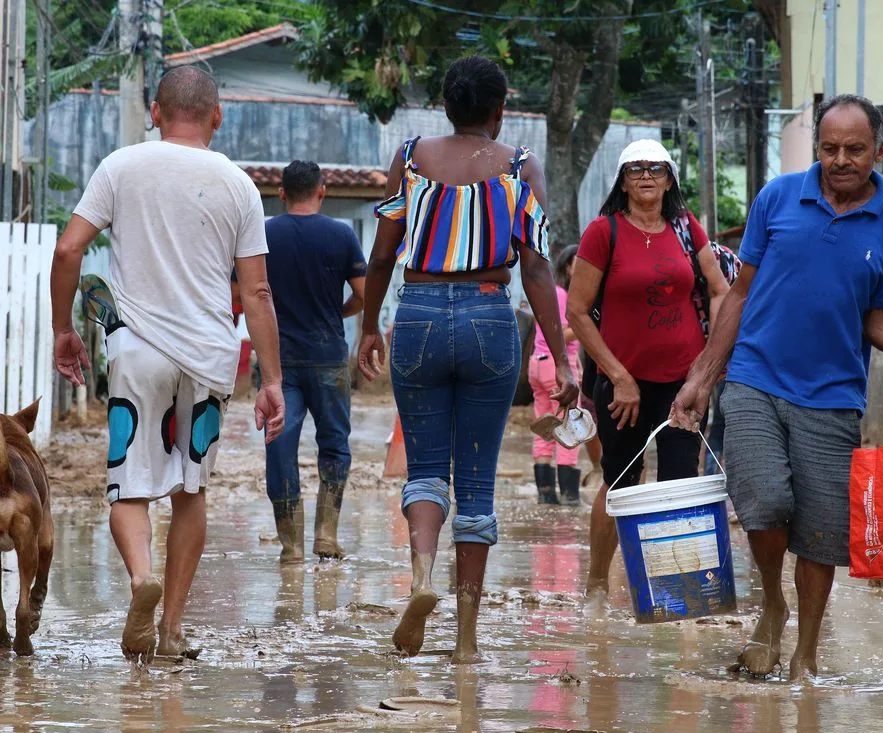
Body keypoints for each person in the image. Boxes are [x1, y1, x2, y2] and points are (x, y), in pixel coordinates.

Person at [671, 94, 883, 681]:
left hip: (832, 396)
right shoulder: (778, 197)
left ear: (878, 149)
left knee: (822, 534)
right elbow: (740, 295)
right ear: (816, 148)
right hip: (753, 377)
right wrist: (702, 376)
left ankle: (805, 654)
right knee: (766, 502)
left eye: (854, 149)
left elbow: (879, 314)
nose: (841, 160)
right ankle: (772, 602)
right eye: (829, 149)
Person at [50, 65, 285, 660]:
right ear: (218, 117)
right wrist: (272, 379)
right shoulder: (239, 185)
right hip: (207, 358)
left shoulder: (120, 166)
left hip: (136, 351)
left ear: (154, 113)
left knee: (128, 485)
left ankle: (140, 579)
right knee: (190, 490)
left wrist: (62, 330)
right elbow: (256, 293)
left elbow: (68, 248)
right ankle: (173, 628)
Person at [357, 56, 578, 663]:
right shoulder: (519, 166)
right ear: (500, 109)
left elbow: (381, 256)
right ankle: (465, 638)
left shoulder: (408, 157)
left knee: (425, 468)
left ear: (446, 105)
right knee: (476, 483)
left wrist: (370, 327)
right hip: (488, 314)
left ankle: (424, 577)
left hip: (419, 314)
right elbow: (535, 267)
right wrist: (560, 359)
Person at [567, 139, 730, 602]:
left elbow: (720, 291)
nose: (645, 176)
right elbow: (577, 312)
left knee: (680, 483)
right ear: (622, 180)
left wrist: (707, 366)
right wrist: (618, 376)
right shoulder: (603, 232)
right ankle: (598, 585)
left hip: (685, 385)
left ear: (669, 179)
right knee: (620, 483)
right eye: (635, 169)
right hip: (622, 388)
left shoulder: (685, 228)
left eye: (656, 169)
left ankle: (676, 595)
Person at [263, 161, 367, 563]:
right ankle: (326, 534)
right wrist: (338, 312)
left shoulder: (266, 234)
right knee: (335, 445)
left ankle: (291, 547)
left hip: (279, 363)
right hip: (328, 358)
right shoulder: (341, 235)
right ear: (322, 191)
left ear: (282, 193)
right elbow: (364, 295)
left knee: (279, 447)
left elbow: (246, 290)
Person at [530, 245, 583, 505]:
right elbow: (563, 333)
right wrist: (585, 324)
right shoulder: (565, 295)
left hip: (538, 364)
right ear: (567, 267)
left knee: (546, 427)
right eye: (579, 263)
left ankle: (546, 493)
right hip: (557, 367)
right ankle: (570, 496)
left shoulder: (552, 294)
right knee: (569, 428)